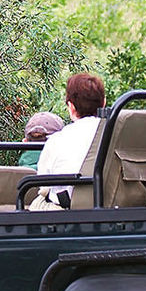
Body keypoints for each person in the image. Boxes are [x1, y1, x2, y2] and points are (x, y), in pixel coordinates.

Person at [33, 73, 106, 205]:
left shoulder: (57, 141)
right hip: (113, 207)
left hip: (67, 212)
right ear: (104, 103)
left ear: (71, 107)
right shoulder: (117, 134)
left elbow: (43, 185)